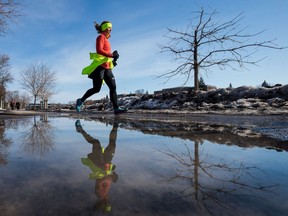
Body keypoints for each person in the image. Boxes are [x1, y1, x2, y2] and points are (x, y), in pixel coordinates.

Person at [76, 21, 127, 115]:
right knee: (96, 89)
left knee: (113, 87)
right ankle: (80, 100)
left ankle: (116, 109)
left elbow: (106, 56)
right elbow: (99, 50)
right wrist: (112, 55)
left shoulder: (107, 40)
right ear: (104, 28)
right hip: (99, 67)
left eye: (111, 27)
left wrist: (113, 59)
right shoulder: (101, 37)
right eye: (108, 27)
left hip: (107, 67)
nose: (110, 29)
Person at [75, 119, 119, 213]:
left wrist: (111, 178)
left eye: (106, 204)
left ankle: (80, 130)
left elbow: (100, 181)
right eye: (109, 204)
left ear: (102, 204)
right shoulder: (106, 195)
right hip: (106, 164)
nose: (108, 202)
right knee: (112, 144)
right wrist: (114, 176)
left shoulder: (99, 194)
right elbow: (107, 178)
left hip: (98, 165)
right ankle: (116, 125)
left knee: (96, 143)